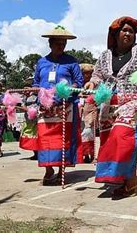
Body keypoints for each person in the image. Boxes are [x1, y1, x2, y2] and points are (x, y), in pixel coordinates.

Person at [84, 16, 137, 197]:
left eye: (131, 31)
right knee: (111, 140)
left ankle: (131, 181)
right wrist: (92, 84)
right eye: (124, 30)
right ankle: (123, 176)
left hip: (134, 100)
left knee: (123, 136)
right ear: (115, 33)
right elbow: (97, 75)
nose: (128, 33)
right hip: (109, 102)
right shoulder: (105, 56)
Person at [32, 25, 84, 185]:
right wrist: (34, 91)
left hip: (65, 105)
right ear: (50, 43)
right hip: (45, 107)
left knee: (64, 138)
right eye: (57, 43)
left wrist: (66, 91)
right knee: (45, 138)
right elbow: (35, 82)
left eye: (63, 43)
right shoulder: (41, 62)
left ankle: (62, 170)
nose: (61, 46)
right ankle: (48, 170)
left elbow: (79, 82)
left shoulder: (71, 62)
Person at [79, 63, 97, 163]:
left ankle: (92, 154)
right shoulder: (78, 84)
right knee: (82, 134)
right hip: (80, 113)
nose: (87, 75)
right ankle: (84, 154)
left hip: (90, 112)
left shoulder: (94, 85)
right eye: (85, 73)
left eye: (89, 73)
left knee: (89, 133)